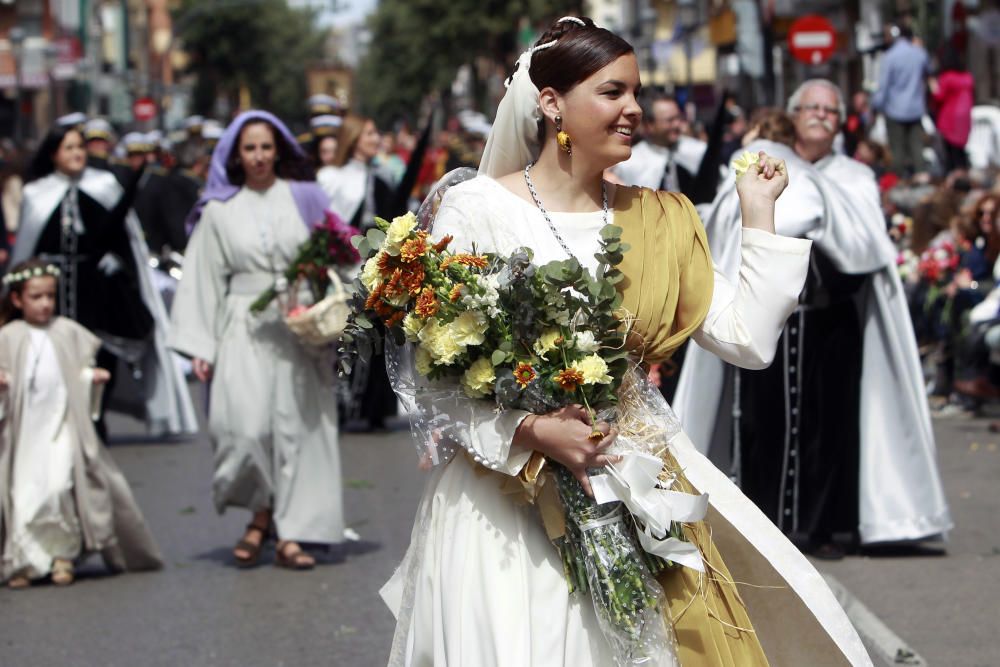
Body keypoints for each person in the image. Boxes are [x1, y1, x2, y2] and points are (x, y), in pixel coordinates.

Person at [381, 18, 871, 666]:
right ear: (551, 101)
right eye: (613, 93)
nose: (634, 110)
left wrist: (759, 214)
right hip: (503, 505)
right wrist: (531, 429)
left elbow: (747, 339)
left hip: (633, 481)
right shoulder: (476, 209)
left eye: (637, 93)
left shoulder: (661, 216)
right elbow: (434, 371)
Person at [675, 79, 952, 559]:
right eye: (812, 107)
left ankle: (821, 526)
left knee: (829, 428)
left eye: (831, 108)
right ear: (794, 113)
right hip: (770, 320)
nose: (822, 115)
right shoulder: (761, 161)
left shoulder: (855, 176)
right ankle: (765, 524)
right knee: (762, 425)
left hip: (831, 322)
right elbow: (725, 220)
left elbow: (864, 244)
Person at [169, 110, 346, 570]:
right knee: (244, 428)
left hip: (300, 327)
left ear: (279, 149)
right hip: (242, 328)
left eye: (266, 147)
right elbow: (202, 279)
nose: (259, 156)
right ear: (235, 155)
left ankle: (290, 530)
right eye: (250, 148)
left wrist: (335, 306)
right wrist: (201, 348)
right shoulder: (219, 211)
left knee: (297, 428)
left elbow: (340, 250)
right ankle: (260, 511)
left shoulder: (305, 197)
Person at [11, 124, 197, 439]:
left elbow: (127, 241)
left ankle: (94, 418)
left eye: (80, 147)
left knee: (99, 356)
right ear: (55, 154)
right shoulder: (37, 194)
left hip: (98, 292)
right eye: (69, 148)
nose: (77, 154)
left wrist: (117, 260)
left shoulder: (104, 185)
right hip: (51, 293)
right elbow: (28, 249)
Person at [0, 259, 162, 589]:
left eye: (50, 296)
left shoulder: (66, 331)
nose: (45, 304)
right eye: (36, 297)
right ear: (17, 300)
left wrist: (91, 379)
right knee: (26, 494)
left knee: (59, 487)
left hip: (60, 427)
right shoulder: (8, 337)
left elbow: (77, 373)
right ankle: (26, 560)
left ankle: (62, 554)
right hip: (25, 432)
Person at [318, 113, 397, 432]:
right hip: (343, 268)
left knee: (376, 337)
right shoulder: (331, 177)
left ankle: (373, 407)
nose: (375, 138)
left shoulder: (381, 176)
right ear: (353, 138)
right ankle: (338, 404)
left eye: (376, 133)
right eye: (369, 133)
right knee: (341, 337)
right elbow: (324, 223)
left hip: (375, 268)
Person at [872, 24, 929, 177]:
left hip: (895, 110)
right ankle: (921, 179)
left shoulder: (890, 57)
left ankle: (896, 183)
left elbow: (883, 87)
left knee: (897, 151)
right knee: (917, 149)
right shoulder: (919, 54)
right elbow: (928, 75)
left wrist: (876, 106)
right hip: (915, 109)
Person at [930, 46, 975, 173]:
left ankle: (953, 177)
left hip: (949, 117)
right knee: (960, 150)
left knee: (950, 153)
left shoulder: (947, 78)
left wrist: (933, 86)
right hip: (964, 118)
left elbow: (938, 97)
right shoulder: (967, 77)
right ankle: (963, 173)